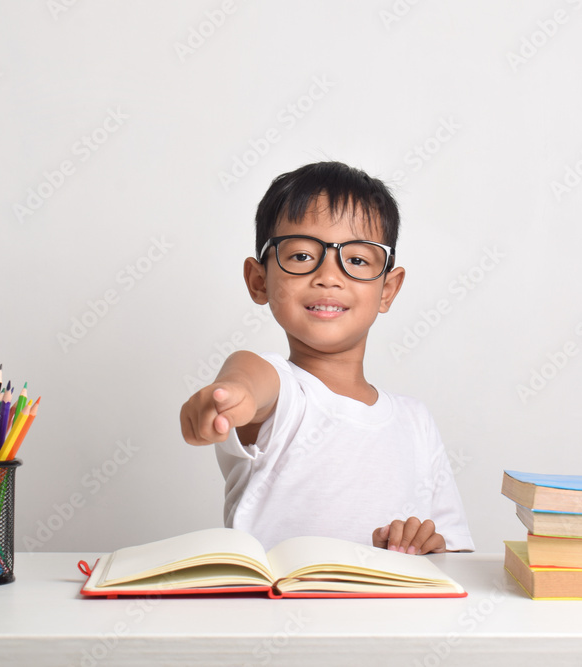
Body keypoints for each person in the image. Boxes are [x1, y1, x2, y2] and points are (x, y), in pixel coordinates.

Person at [180, 161, 474, 554]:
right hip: (267, 614)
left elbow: (451, 553)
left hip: (390, 614)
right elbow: (251, 376)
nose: (329, 276)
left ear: (387, 289)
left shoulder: (416, 423)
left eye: (356, 260)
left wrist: (424, 545)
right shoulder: (283, 394)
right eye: (302, 256)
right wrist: (233, 395)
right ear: (259, 280)